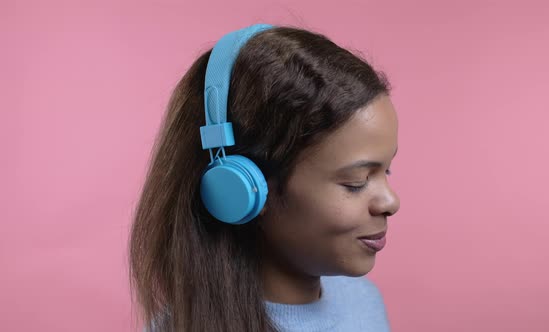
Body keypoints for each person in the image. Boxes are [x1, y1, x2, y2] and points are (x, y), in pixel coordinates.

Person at [128, 23, 400, 332]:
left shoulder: (364, 303)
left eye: (386, 170)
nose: (392, 202)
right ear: (244, 190)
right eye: (356, 182)